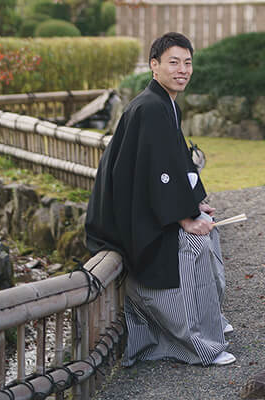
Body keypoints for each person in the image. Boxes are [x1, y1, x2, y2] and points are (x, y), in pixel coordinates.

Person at [85, 31, 235, 366]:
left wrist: (195, 205)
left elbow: (175, 162)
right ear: (154, 66)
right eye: (173, 62)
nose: (182, 69)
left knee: (209, 229)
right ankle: (200, 345)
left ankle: (210, 323)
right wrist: (184, 218)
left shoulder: (164, 103)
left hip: (146, 205)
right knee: (192, 244)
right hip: (128, 218)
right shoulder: (150, 108)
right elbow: (157, 174)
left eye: (187, 63)